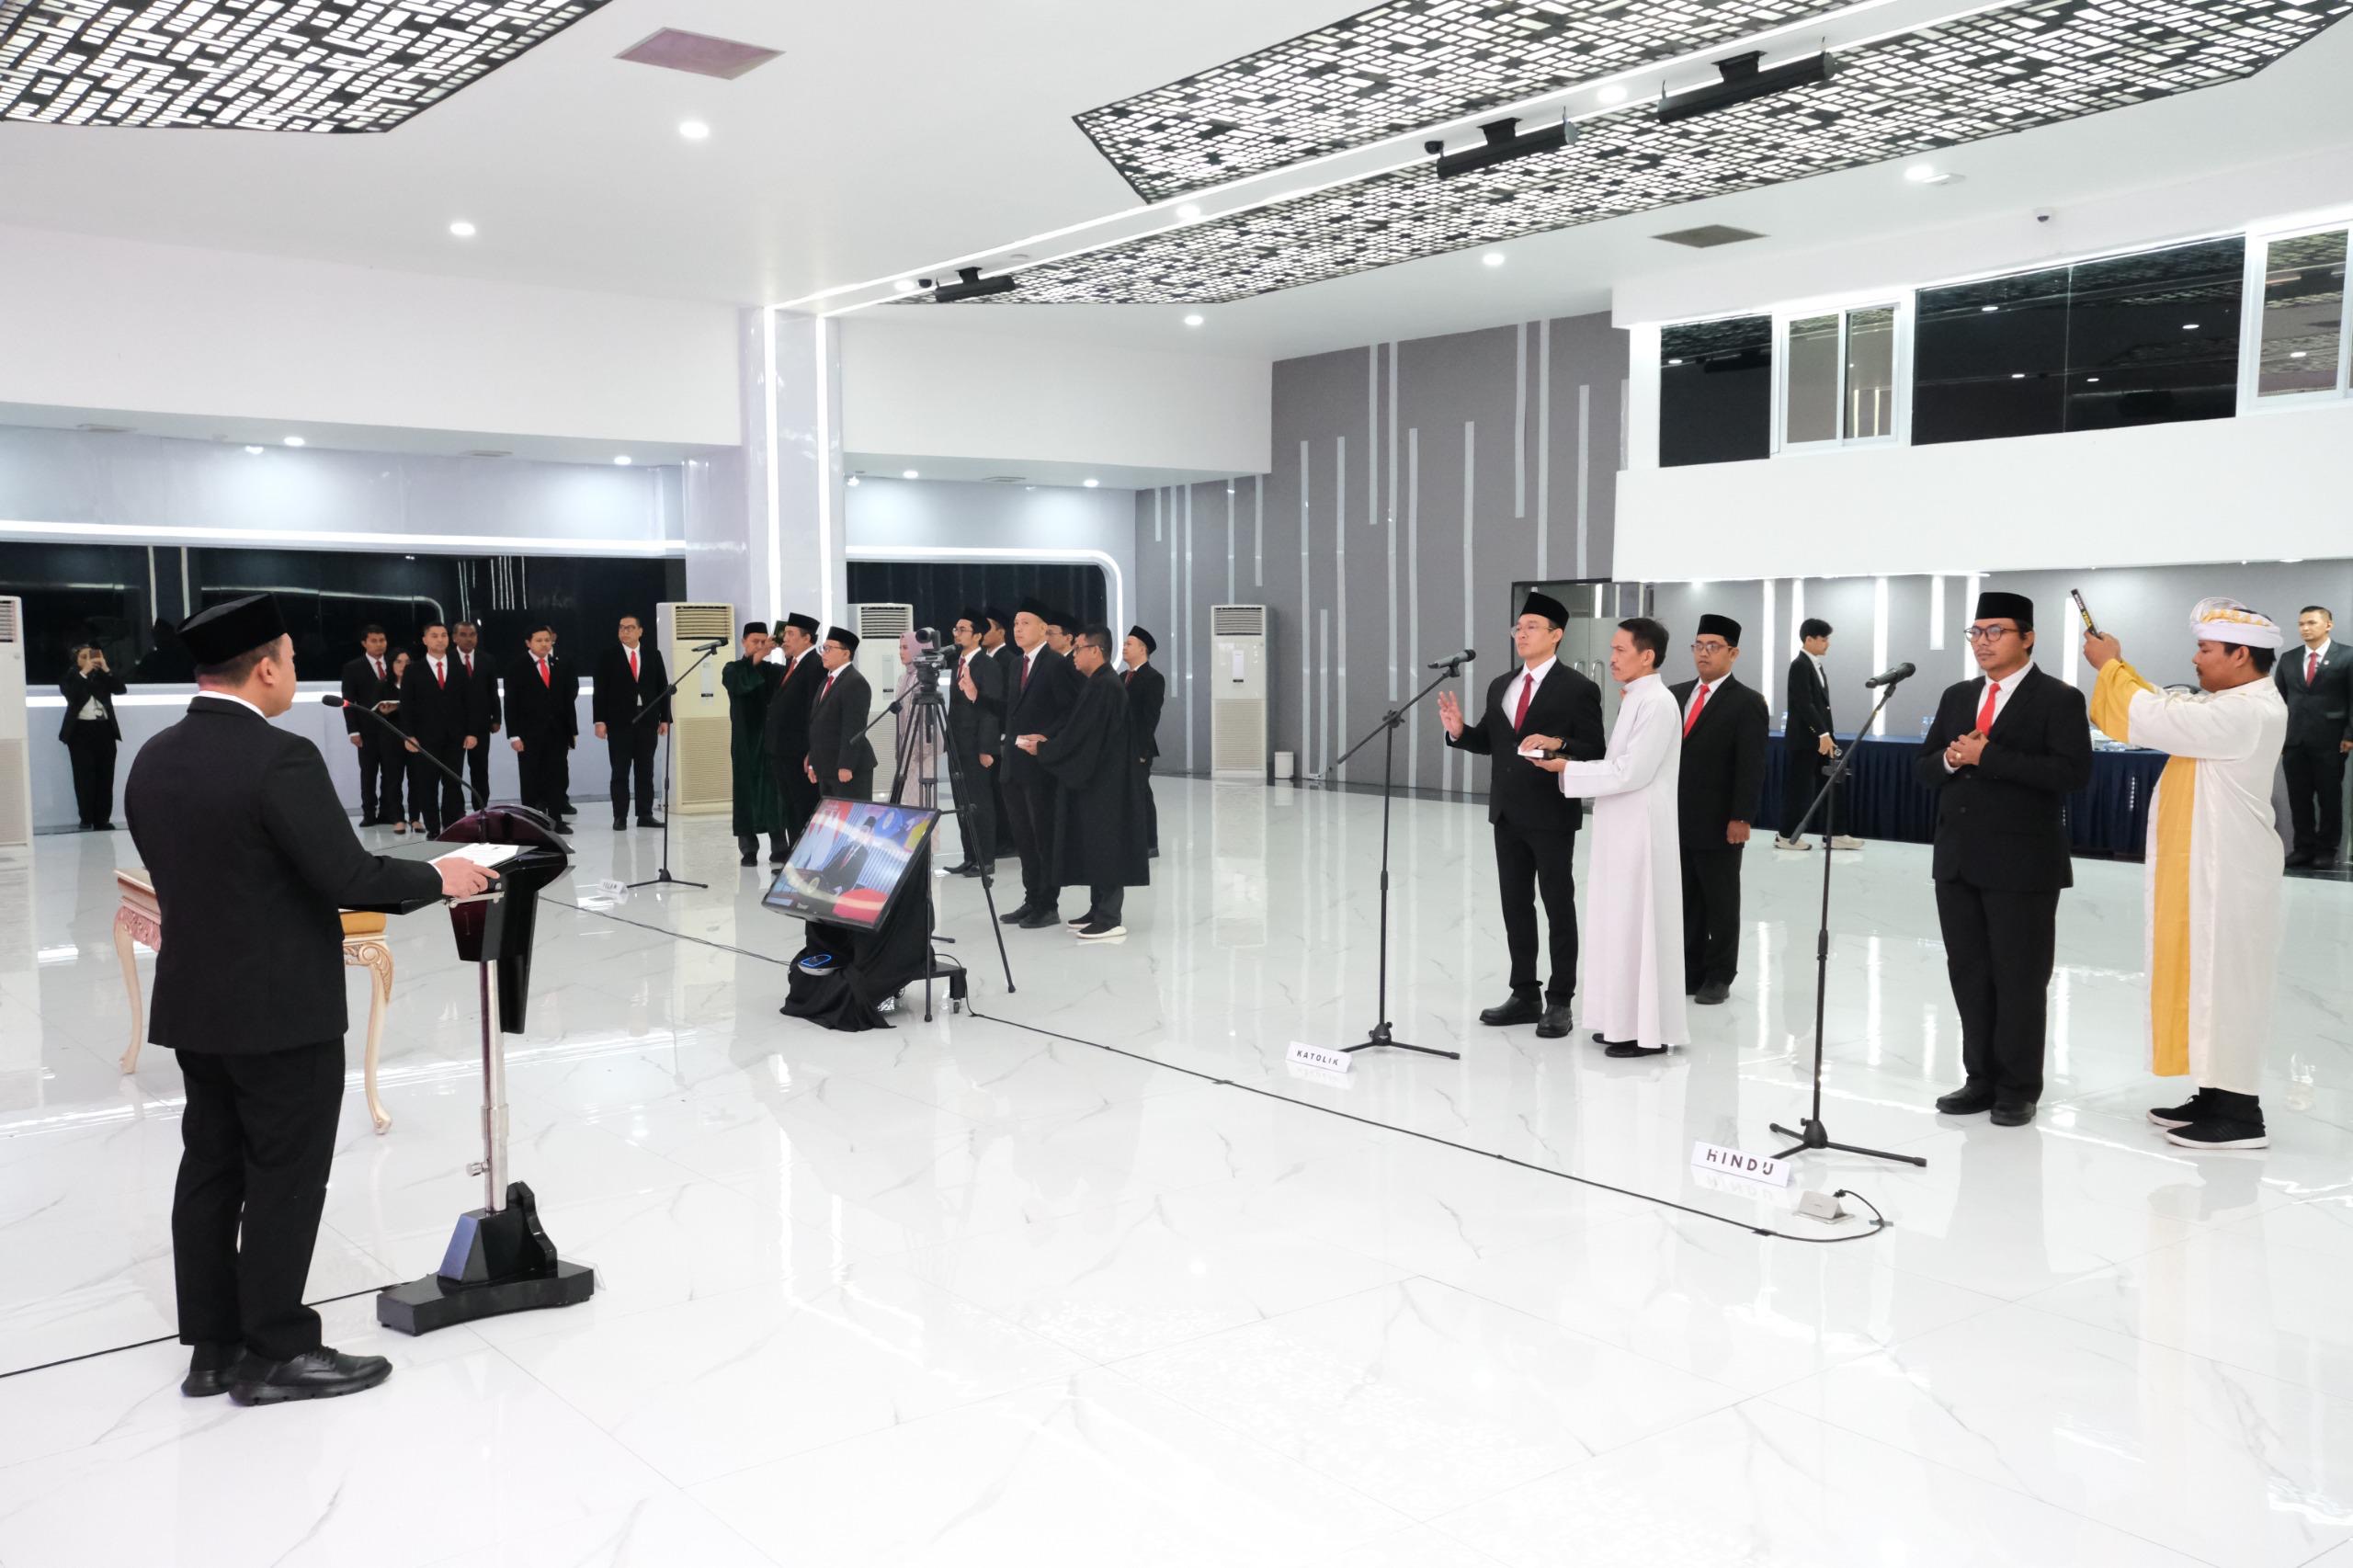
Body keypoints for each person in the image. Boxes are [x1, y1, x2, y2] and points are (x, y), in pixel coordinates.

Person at [122, 593, 494, 1406]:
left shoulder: (154, 757)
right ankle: (277, 1351)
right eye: (290, 659)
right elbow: (347, 875)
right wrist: (441, 876)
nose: (294, 672)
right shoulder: (280, 758)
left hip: (197, 1003)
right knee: (285, 1177)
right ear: (264, 669)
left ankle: (214, 1349)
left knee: (210, 1170)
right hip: (282, 1010)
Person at [2086, 599, 2290, 1149]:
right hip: (2214, 868)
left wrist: (2110, 667)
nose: (2196, 659)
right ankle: (2214, 1094)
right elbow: (2168, 705)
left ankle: (2242, 1115)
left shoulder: (2248, 711)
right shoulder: (2230, 704)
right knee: (2202, 978)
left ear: (2241, 654)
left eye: (2205, 648)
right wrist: (2120, 671)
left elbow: (2159, 718)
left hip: (2231, 875)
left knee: (2228, 985)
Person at [1918, 591, 2092, 1127]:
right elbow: (1924, 766)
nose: (1983, 642)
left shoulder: (2058, 698)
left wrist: (1987, 755)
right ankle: (1980, 1078)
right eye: (1976, 632)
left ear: (2028, 637)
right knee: (1969, 974)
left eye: (1996, 631)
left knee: (2019, 977)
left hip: (2022, 864)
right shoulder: (1957, 695)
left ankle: (2018, 1086)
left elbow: (2071, 774)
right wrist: (1951, 760)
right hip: (1958, 860)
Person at [1438, 590, 1606, 1039]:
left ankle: (1560, 1000)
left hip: (1551, 814)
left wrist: (1559, 743)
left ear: (1556, 635)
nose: (1522, 633)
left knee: (1557, 906)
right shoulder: (1501, 685)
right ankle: (1525, 994)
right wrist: (1460, 732)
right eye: (1518, 627)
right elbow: (1493, 742)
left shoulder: (1579, 688)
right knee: (1515, 905)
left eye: (1532, 627)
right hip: (1507, 813)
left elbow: (1594, 749)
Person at [1529, 618, 1686, 1057]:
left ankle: (1646, 1032)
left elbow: (1631, 772)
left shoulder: (1657, 703)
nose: (1611, 658)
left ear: (1647, 656)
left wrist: (1567, 767)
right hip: (1620, 827)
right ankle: (1620, 1021)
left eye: (1620, 650)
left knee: (1637, 926)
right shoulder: (1636, 697)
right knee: (1616, 925)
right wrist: (1566, 760)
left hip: (1642, 830)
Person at [1023, 625, 1150, 939]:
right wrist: (1049, 741)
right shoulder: (1097, 683)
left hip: (1107, 783)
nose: (1074, 655)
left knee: (1107, 845)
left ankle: (1110, 917)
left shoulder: (1106, 686)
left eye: (1078, 648)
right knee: (1094, 844)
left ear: (1096, 651)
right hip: (1096, 781)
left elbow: (1086, 738)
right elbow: (1078, 731)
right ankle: (1097, 908)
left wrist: (1045, 749)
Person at [1670, 614, 1770, 1006]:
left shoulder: (1747, 702)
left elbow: (1751, 764)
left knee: (1721, 901)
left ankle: (1720, 974)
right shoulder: (1675, 694)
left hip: (1719, 820)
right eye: (1698, 646)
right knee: (1685, 898)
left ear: (1733, 653)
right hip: (1675, 817)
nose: (1704, 653)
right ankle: (1689, 969)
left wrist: (1741, 816)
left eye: (1713, 647)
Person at [999, 597, 1080, 930]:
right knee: (1023, 839)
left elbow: (1070, 711)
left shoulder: (1056, 664)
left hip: (1040, 767)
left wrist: (1046, 738)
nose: (1018, 629)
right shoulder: (1016, 664)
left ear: (1044, 629)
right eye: (1015, 624)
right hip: (1014, 765)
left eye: (1025, 623)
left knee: (1043, 837)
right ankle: (1031, 898)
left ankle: (1048, 905)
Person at [2276, 605, 2351, 868]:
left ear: (2328, 625)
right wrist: (2279, 738)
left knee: (2329, 798)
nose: (2305, 628)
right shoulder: (2289, 658)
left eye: (2311, 623)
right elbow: (2279, 701)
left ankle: (2327, 850)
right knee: (2299, 797)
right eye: (2301, 624)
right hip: (2294, 741)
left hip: (2331, 740)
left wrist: (2350, 734)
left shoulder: (2347, 656)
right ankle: (2303, 848)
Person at [1778, 618, 1861, 851]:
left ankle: (1836, 834)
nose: (1828, 643)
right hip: (1805, 740)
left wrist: (1828, 734)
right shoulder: (1799, 665)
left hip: (1824, 738)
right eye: (1824, 639)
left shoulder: (1816, 665)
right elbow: (1803, 703)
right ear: (1809, 640)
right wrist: (1822, 733)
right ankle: (1785, 836)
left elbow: (1821, 705)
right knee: (1800, 789)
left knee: (1833, 782)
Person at [396, 622, 474, 836]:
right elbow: (407, 706)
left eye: (443, 635)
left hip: (455, 737)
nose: (440, 639)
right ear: (425, 640)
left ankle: (450, 826)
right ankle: (432, 827)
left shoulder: (459, 668)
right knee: (427, 784)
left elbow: (468, 703)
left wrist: (471, 732)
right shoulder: (413, 670)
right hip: (424, 738)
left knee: (453, 783)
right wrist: (409, 735)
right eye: (434, 636)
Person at [593, 615, 670, 831]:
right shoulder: (608, 656)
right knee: (620, 771)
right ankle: (620, 816)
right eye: (621, 628)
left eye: (630, 628)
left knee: (645, 771)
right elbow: (600, 691)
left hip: (647, 721)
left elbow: (662, 687)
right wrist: (599, 720)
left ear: (640, 631)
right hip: (619, 722)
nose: (625, 631)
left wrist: (665, 718)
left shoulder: (653, 654)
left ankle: (645, 814)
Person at [722, 622, 789, 867]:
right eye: (755, 642)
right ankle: (748, 848)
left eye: (764, 642)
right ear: (743, 642)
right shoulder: (732, 669)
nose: (760, 646)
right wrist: (761, 653)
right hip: (744, 743)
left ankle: (779, 845)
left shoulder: (774, 671)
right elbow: (740, 683)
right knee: (745, 794)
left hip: (771, 742)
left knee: (774, 795)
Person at [947, 608, 1006, 875]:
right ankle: (969, 856)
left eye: (963, 630)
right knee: (961, 802)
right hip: (957, 744)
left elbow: (991, 711)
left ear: (978, 635)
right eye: (955, 629)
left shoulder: (987, 665)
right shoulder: (957, 663)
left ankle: (985, 859)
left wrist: (986, 748)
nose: (957, 634)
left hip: (976, 745)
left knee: (979, 802)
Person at [763, 612, 825, 843]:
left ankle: (805, 856)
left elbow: (814, 712)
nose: (784, 639)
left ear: (807, 638)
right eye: (785, 633)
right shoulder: (792, 663)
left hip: (799, 753)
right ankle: (794, 855)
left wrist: (811, 751)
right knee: (789, 809)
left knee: (803, 808)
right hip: (781, 751)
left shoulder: (815, 665)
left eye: (790, 634)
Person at [504, 625, 569, 827]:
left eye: (547, 640)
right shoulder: (517, 667)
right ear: (528, 643)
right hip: (528, 734)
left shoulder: (558, 664)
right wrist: (514, 735)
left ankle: (556, 819)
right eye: (539, 640)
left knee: (556, 776)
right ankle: (531, 822)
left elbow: (566, 700)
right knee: (530, 777)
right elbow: (511, 704)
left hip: (557, 732)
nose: (544, 644)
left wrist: (570, 730)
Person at [804, 626, 878, 801]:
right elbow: (818, 724)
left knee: (851, 816)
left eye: (829, 648)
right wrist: (814, 762)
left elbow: (854, 727)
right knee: (831, 816)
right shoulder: (827, 681)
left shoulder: (855, 682)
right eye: (823, 648)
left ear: (846, 653)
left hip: (847, 770)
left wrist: (846, 765)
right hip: (826, 767)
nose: (824, 653)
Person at [339, 626, 403, 826]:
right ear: (364, 643)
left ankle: (388, 812)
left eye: (382, 640)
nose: (379, 644)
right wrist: (353, 731)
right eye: (374, 641)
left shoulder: (394, 664)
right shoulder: (353, 667)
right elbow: (348, 702)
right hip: (366, 730)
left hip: (392, 728)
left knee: (391, 774)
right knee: (368, 773)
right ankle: (368, 813)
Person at [59, 643, 126, 831]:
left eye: (92, 655)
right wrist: (84, 673)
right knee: (83, 775)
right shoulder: (71, 676)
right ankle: (86, 817)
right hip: (80, 731)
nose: (90, 660)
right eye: (84, 657)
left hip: (104, 729)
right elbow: (72, 695)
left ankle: (102, 819)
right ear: (76, 660)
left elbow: (120, 688)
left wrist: (105, 668)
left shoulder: (102, 676)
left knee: (106, 775)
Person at [1123, 626, 1165, 858]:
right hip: (1120, 748)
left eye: (1129, 644)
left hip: (1140, 749)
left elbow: (1150, 718)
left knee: (1141, 794)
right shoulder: (1121, 677)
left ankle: (1150, 843)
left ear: (1142, 649)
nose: (1124, 647)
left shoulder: (1153, 678)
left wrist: (1140, 751)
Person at [890, 628, 942, 805]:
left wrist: (912, 751)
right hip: (906, 746)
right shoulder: (903, 678)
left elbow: (921, 719)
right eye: (900, 647)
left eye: (905, 647)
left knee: (920, 801)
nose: (901, 652)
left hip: (923, 748)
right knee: (908, 801)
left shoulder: (922, 680)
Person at [983, 608, 1019, 861]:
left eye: (988, 627)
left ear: (1001, 631)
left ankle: (1008, 840)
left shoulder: (1009, 661)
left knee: (1002, 790)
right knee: (990, 791)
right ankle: (995, 839)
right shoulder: (982, 659)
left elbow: (1008, 701)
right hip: (986, 735)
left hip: (1001, 736)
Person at [452, 620, 499, 808]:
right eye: (463, 635)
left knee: (480, 769)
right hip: (454, 724)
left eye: (472, 634)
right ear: (454, 638)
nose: (468, 639)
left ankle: (481, 808)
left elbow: (492, 691)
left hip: (480, 724)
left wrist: (496, 718)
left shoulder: (487, 660)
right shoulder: (447, 659)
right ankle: (456, 809)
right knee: (454, 770)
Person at [385, 650, 420, 832]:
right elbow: (373, 709)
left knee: (416, 779)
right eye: (398, 662)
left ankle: (415, 818)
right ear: (391, 664)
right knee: (394, 780)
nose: (403, 666)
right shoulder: (383, 685)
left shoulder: (418, 684)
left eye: (407, 662)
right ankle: (398, 818)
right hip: (391, 739)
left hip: (415, 738)